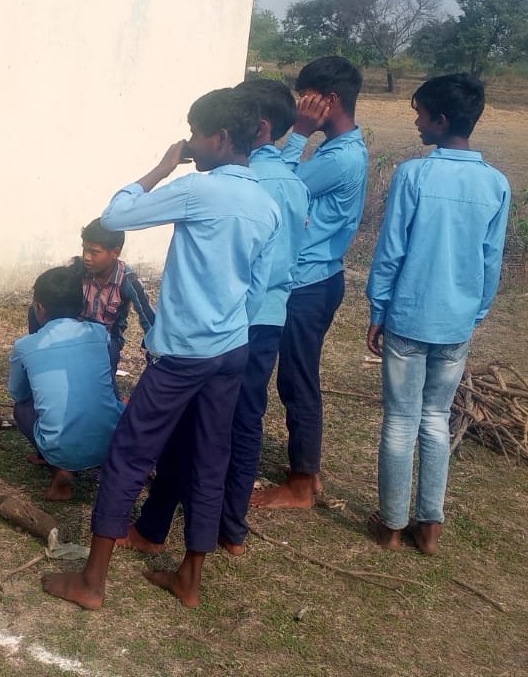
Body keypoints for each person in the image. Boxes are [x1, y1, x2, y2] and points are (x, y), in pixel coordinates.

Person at [41, 89, 279, 610]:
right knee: (210, 457)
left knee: (129, 452)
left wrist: (163, 166)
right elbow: (257, 289)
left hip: (182, 353)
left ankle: (92, 582)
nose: (190, 143)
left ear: (218, 138)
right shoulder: (266, 203)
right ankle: (189, 580)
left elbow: (115, 215)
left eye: (195, 134)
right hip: (231, 348)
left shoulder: (198, 189)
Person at [124, 77, 310, 556]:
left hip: (214, 329)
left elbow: (118, 215)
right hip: (260, 321)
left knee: (183, 431)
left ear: (250, 128)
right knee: (240, 425)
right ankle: (230, 531)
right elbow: (280, 265)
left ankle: (155, 525)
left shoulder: (220, 185)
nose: (192, 140)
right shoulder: (292, 182)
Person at [365, 73, 511, 554]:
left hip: (408, 316)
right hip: (456, 323)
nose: (416, 122)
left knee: (401, 421)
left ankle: (389, 526)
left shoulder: (414, 174)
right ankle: (429, 527)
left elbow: (391, 250)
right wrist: (479, 310)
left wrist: (377, 307)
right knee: (435, 417)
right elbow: (492, 258)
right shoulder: (496, 184)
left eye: (421, 114)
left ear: (441, 120)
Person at [252, 56, 368, 510]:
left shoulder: (338, 158)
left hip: (308, 282)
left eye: (307, 96)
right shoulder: (343, 149)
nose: (301, 103)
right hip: (317, 277)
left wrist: (297, 132)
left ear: (328, 100)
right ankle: (308, 472)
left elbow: (277, 187)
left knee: (297, 381)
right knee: (298, 378)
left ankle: (300, 484)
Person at [9, 266, 125, 501]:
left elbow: (17, 393)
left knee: (21, 408)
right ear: (81, 305)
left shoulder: (25, 346)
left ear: (40, 307)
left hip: (61, 449)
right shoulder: (100, 333)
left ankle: (60, 469)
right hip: (112, 439)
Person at [27, 219, 156, 376]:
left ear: (115, 252)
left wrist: (158, 350)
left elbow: (148, 318)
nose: (87, 257)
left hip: (107, 340)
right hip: (74, 331)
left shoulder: (127, 280)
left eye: (94, 252)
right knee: (35, 310)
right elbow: (50, 295)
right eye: (85, 250)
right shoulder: (76, 270)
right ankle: (37, 360)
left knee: (103, 373)